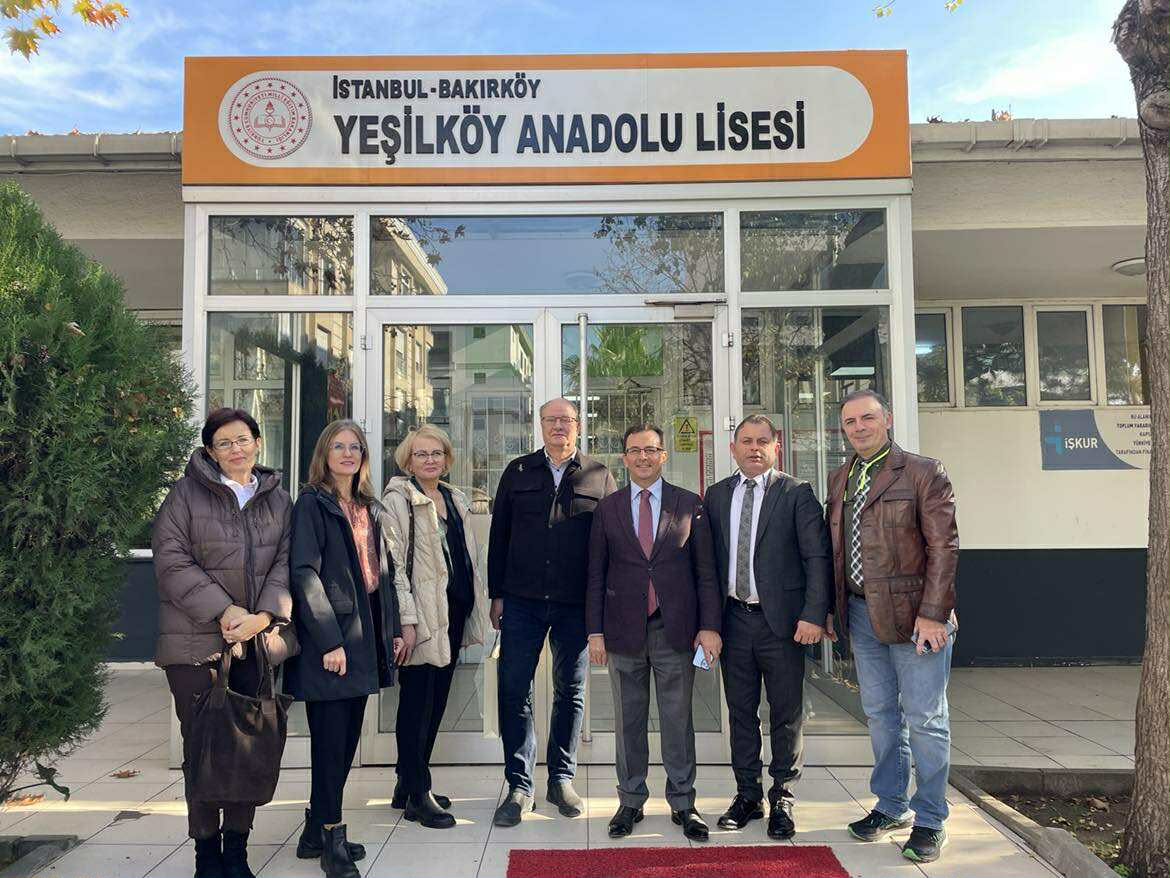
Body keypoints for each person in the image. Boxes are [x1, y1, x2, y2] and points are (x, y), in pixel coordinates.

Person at [153, 407, 295, 878]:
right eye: (224, 443)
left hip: (255, 643)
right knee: (204, 750)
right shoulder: (185, 495)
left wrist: (263, 616)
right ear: (210, 452)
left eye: (243, 439)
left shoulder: (278, 499)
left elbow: (286, 562)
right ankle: (205, 855)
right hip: (195, 645)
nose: (236, 449)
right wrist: (224, 610)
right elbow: (171, 560)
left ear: (257, 441)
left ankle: (237, 851)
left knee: (247, 748)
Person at [824, 389, 959, 864]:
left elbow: (944, 547)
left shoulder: (923, 471)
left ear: (888, 419)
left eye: (867, 418)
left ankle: (931, 819)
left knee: (925, 718)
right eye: (850, 421)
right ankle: (891, 805)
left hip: (916, 617)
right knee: (881, 715)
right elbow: (836, 551)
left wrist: (934, 613)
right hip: (862, 614)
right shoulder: (840, 477)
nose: (858, 427)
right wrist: (832, 609)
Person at [586, 423, 722, 842]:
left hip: (674, 629)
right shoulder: (608, 508)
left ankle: (683, 802)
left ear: (663, 455)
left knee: (677, 719)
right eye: (634, 450)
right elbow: (596, 574)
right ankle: (630, 801)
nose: (642, 457)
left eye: (650, 450)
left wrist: (710, 627)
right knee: (628, 720)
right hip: (622, 630)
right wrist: (595, 632)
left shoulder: (688, 503)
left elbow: (706, 572)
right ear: (624, 457)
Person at [285, 419, 409, 878]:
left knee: (345, 743)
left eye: (355, 446)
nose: (347, 453)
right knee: (330, 745)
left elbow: (381, 575)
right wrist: (329, 641)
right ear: (324, 453)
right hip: (332, 642)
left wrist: (391, 630)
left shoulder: (367, 507)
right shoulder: (312, 503)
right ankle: (331, 838)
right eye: (338, 446)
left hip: (364, 636)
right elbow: (304, 574)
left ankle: (314, 832)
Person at [487, 397, 617, 827]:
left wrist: (603, 604)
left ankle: (561, 779)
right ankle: (519, 785)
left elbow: (610, 544)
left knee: (571, 690)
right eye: (551, 420)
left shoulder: (599, 474)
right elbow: (499, 535)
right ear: (540, 425)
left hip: (575, 603)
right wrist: (496, 594)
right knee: (513, 688)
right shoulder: (518, 471)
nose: (559, 426)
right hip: (521, 600)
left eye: (566, 420)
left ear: (578, 425)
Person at [703, 414, 833, 840]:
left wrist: (813, 614)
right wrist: (709, 623)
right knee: (740, 713)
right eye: (746, 441)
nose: (754, 448)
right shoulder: (717, 496)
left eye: (762, 441)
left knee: (785, 712)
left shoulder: (796, 493)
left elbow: (817, 558)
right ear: (733, 449)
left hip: (783, 624)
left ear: (776, 447)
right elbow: (708, 565)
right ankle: (747, 795)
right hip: (733, 621)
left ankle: (782, 795)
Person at [382, 424, 487, 829]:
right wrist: (407, 621)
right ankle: (417, 794)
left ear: (447, 459)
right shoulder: (398, 500)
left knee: (436, 701)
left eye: (437, 453)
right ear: (408, 461)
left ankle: (407, 783)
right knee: (416, 705)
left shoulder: (454, 497)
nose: (430, 460)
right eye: (421, 454)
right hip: (422, 617)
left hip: (452, 615)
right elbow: (395, 568)